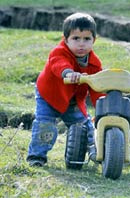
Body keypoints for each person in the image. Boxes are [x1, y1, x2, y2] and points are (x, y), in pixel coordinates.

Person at [26, 12, 104, 167]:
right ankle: (37, 157)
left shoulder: (94, 64)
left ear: (94, 40)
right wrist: (68, 73)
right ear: (66, 39)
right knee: (45, 125)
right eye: (76, 38)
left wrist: (102, 107)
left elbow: (97, 87)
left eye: (87, 39)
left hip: (73, 101)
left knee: (85, 126)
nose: (81, 44)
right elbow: (58, 64)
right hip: (49, 96)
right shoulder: (59, 52)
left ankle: (97, 153)